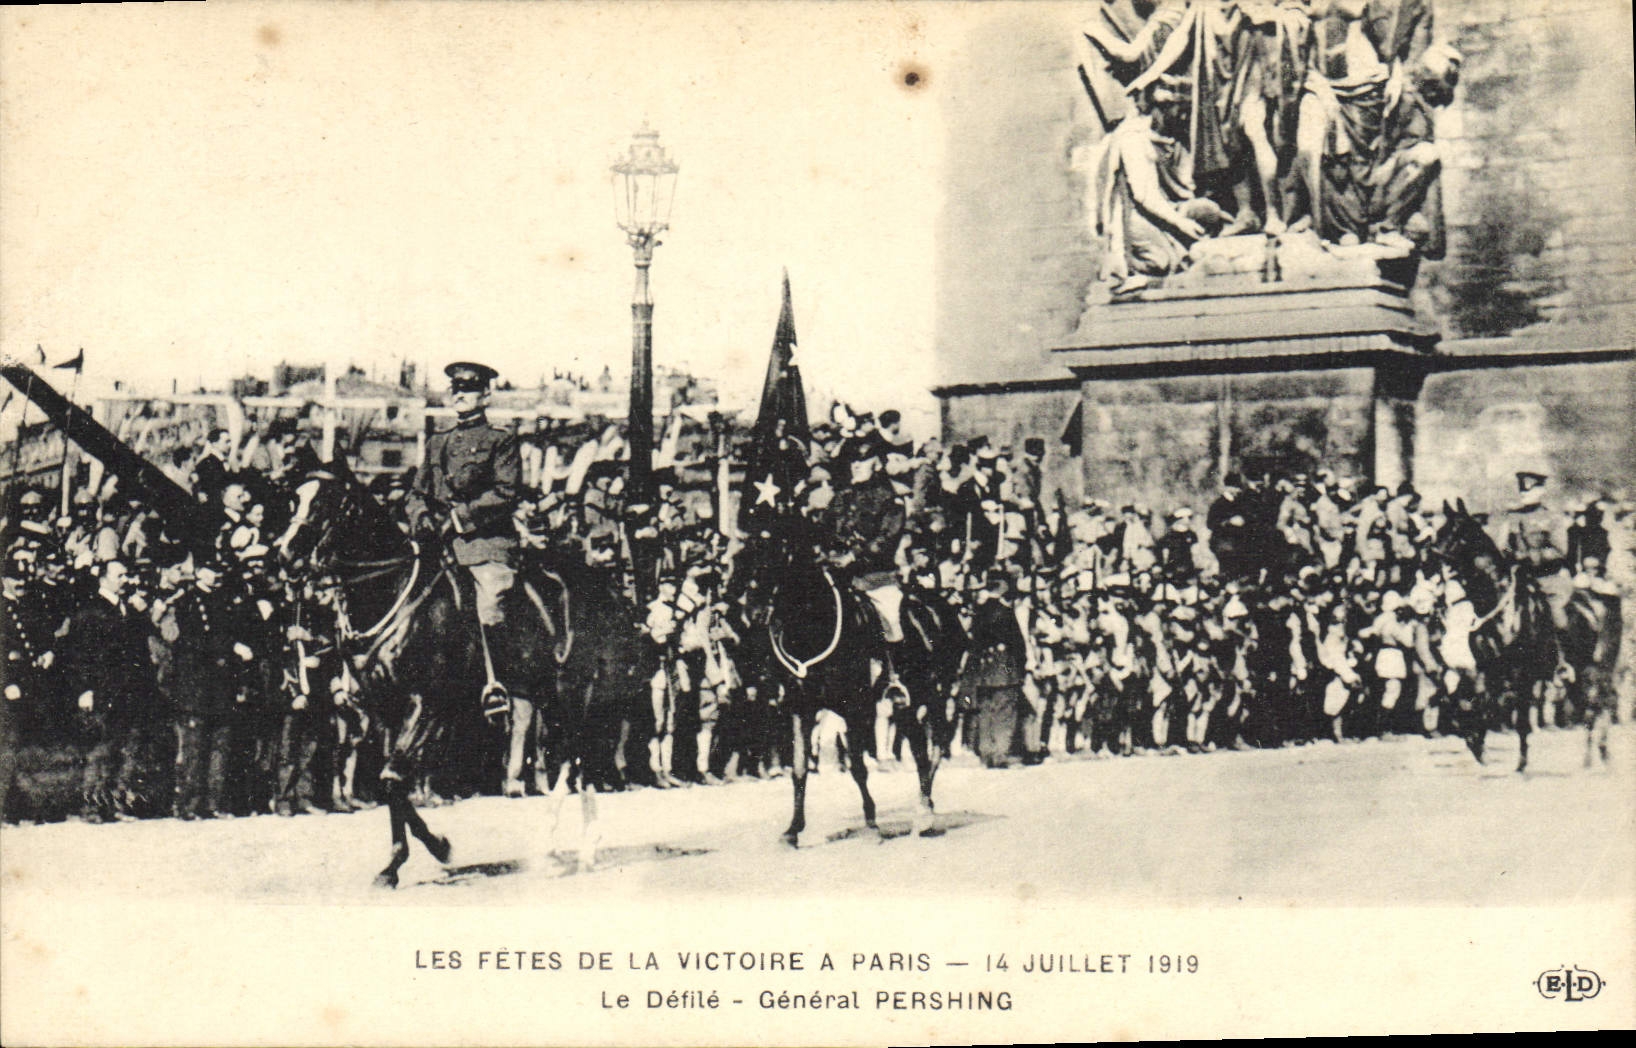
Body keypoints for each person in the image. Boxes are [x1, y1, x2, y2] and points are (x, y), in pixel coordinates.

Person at [404, 361, 523, 641]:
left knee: (489, 608)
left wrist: (458, 519)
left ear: (486, 395)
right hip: (436, 545)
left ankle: (496, 669)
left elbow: (506, 492)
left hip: (484, 546)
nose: (460, 394)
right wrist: (422, 516)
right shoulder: (437, 442)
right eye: (456, 388)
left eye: (469, 388)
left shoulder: (500, 440)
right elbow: (416, 493)